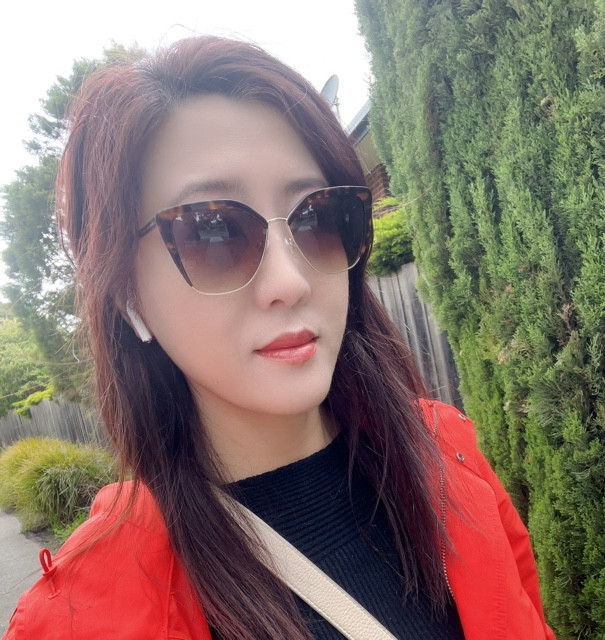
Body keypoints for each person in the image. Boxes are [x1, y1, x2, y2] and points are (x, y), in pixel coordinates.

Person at [3, 36, 555, 640]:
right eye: (213, 230)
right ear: (126, 294)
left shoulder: (448, 457)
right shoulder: (84, 620)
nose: (290, 282)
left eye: (317, 218)